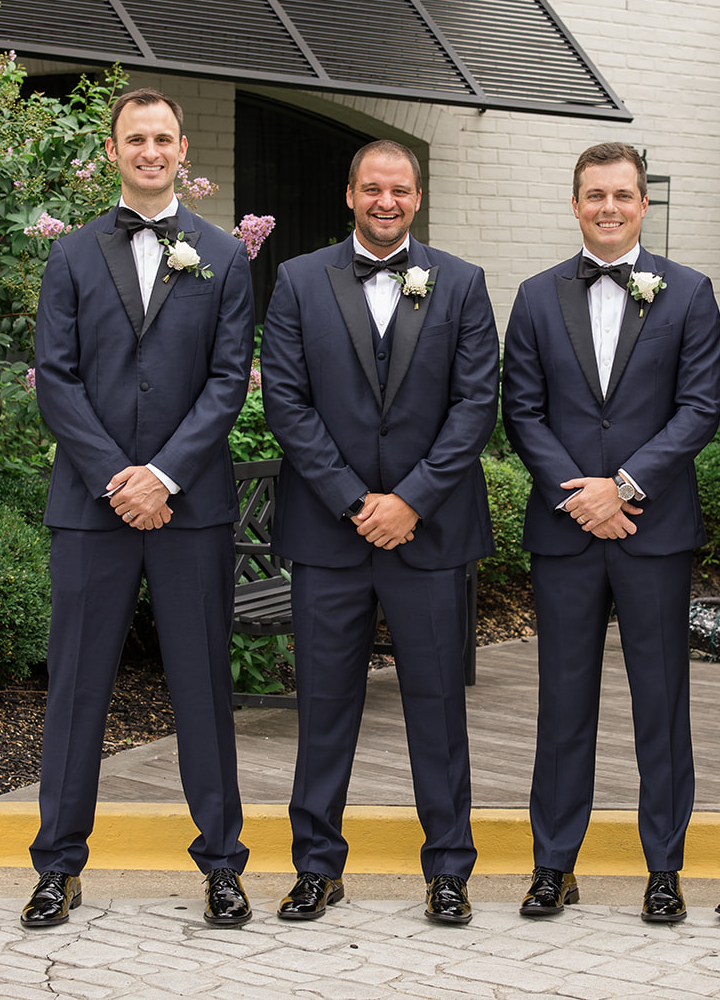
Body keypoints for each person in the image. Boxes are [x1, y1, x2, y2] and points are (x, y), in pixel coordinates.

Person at [24, 88, 256, 930]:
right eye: (136, 139)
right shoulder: (74, 256)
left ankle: (223, 864)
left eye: (163, 138)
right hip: (91, 508)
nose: (151, 151)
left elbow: (228, 381)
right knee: (77, 689)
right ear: (114, 149)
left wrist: (163, 475)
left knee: (202, 690)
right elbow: (57, 379)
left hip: (189, 512)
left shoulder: (224, 258)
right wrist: (118, 477)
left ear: (182, 150)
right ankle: (57, 865)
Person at [260, 139, 499, 925]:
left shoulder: (462, 283)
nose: (386, 201)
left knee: (437, 709)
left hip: (427, 536)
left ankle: (449, 870)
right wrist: (353, 499)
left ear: (417, 197)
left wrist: (413, 500)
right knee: (326, 706)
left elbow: (475, 406)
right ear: (351, 193)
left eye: (399, 189)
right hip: (330, 534)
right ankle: (317, 867)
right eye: (372, 188)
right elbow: (287, 404)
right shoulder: (297, 281)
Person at [501, 142, 720, 923]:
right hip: (565, 533)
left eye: (622, 194)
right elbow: (520, 411)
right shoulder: (534, 297)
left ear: (643, 204)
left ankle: (664, 868)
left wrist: (623, 487)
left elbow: (700, 407)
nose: (608, 206)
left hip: (652, 530)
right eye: (594, 194)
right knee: (563, 702)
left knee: (660, 702)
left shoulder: (690, 293)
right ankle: (553, 864)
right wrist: (580, 496)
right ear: (574, 204)